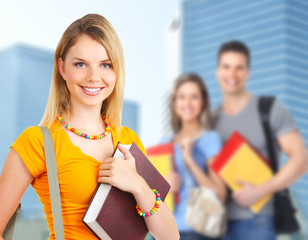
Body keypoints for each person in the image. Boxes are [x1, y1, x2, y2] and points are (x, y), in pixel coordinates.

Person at [0, 14, 179, 240]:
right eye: (81, 64)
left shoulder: (126, 141)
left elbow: (170, 236)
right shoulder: (38, 141)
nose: (94, 77)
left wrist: (138, 185)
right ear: (62, 68)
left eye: (105, 65)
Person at [213, 40, 308, 240]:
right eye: (226, 67)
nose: (232, 74)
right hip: (214, 223)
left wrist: (260, 191)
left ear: (248, 73)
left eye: (239, 68)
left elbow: (301, 159)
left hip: (257, 220)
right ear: (218, 72)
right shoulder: (212, 120)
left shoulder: (268, 109)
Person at [161, 73, 226, 240]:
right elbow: (150, 196)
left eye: (194, 97)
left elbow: (220, 193)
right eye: (182, 97)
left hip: (196, 231)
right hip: (164, 231)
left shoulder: (210, 140)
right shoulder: (164, 143)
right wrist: (164, 186)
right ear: (174, 103)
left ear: (203, 102)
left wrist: (190, 159)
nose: (187, 103)